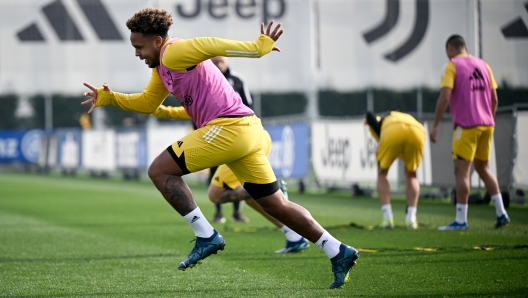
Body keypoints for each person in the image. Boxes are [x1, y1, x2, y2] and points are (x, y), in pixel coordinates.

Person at [81, 8, 358, 289]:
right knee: (276, 205)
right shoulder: (161, 67)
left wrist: (257, 48)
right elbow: (147, 103)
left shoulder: (174, 51)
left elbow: (213, 44)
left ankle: (206, 235)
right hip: (246, 131)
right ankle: (338, 250)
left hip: (230, 128)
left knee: (160, 170)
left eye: (139, 47)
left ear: (156, 41)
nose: (137, 54)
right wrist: (110, 97)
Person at [154, 104, 310, 253]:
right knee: (251, 198)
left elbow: (198, 107)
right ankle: (293, 235)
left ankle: (271, 190)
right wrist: (165, 111)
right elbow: (194, 108)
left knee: (215, 194)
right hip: (250, 136)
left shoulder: (218, 82)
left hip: (238, 140)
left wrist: (164, 111)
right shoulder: (217, 83)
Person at [430, 34, 510, 231]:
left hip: (466, 126)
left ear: (450, 47)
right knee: (483, 168)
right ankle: (502, 213)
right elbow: (495, 99)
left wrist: (436, 125)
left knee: (461, 171)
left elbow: (444, 97)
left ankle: (461, 220)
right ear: (465, 47)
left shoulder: (452, 65)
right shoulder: (484, 65)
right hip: (487, 123)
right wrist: (487, 118)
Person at [210, 56, 253, 224]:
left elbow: (249, 105)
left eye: (221, 61)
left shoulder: (237, 80)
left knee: (237, 173)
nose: (218, 65)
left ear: (226, 62)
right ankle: (218, 212)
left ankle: (237, 211)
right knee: (215, 173)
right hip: (213, 135)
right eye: (214, 62)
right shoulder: (204, 79)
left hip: (236, 135)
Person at [365, 111, 425, 229]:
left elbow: (369, 116)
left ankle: (388, 219)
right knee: (412, 175)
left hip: (393, 130)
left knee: (382, 173)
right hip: (418, 130)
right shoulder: (399, 116)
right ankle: (411, 219)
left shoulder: (381, 122)